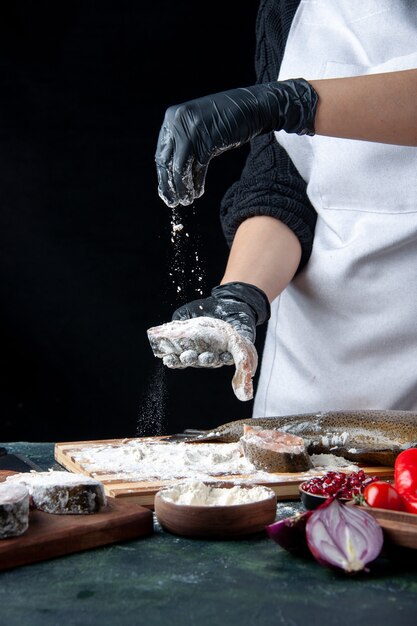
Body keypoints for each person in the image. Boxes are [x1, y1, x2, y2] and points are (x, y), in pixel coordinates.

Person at [154, 0, 417, 417]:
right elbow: (281, 184)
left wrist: (288, 104)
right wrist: (241, 293)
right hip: (320, 366)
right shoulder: (285, 8)